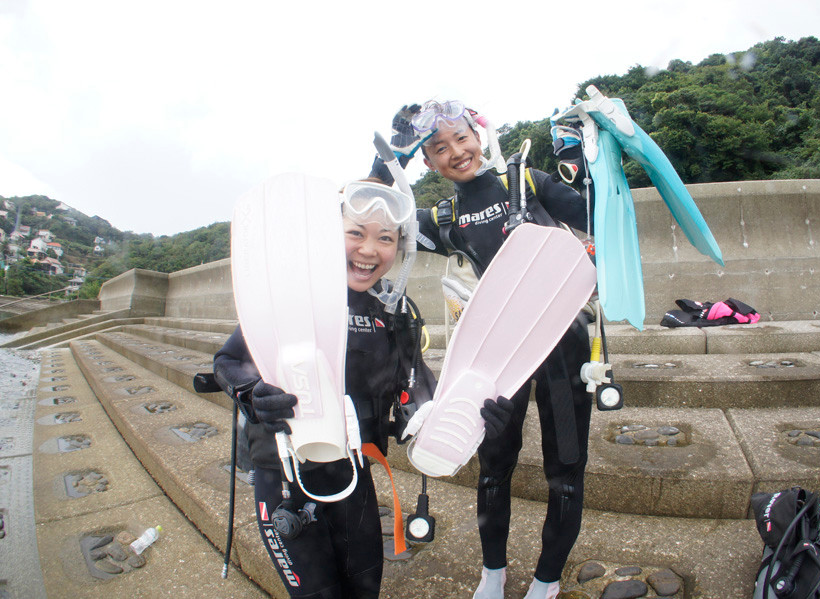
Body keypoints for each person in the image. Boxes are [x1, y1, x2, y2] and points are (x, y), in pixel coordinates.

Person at [214, 178, 515, 599]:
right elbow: (228, 362)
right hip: (285, 479)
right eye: (355, 233)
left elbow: (421, 395)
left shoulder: (395, 315)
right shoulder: (292, 297)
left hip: (355, 476)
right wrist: (251, 393)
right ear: (328, 234)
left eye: (385, 238)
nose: (370, 250)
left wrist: (475, 417)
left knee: (365, 587)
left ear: (401, 247)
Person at [371, 101, 594, 599]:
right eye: (438, 149)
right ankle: (492, 573)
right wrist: (388, 165)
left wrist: (587, 158)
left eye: (461, 138)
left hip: (564, 346)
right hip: (493, 363)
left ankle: (547, 581)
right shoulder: (444, 217)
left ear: (479, 134)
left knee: (566, 470)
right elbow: (370, 222)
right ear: (427, 163)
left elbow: (599, 214)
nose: (456, 152)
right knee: (494, 466)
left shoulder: (530, 184)